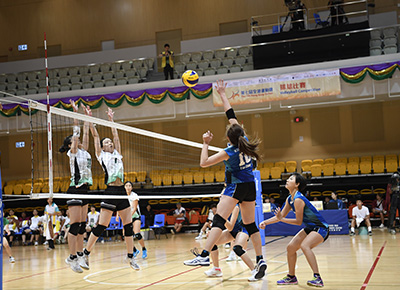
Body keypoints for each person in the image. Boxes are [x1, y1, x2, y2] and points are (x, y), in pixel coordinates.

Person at [183, 80, 266, 282]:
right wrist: (222, 94)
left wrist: (205, 143)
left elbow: (204, 163)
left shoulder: (229, 152)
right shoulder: (244, 140)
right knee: (251, 224)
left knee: (219, 220)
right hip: (249, 187)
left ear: (229, 139)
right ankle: (260, 259)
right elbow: (232, 116)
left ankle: (204, 256)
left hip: (235, 186)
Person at [83, 107, 139, 271]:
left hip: (121, 192)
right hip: (110, 192)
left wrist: (111, 120)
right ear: (102, 147)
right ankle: (86, 252)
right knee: (102, 225)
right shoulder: (101, 155)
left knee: (128, 226)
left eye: (110, 142)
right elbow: (95, 136)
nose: (110, 143)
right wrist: (90, 119)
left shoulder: (118, 154)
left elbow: (116, 135)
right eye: (106, 142)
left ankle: (130, 257)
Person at [260, 173, 329, 287]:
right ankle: (291, 277)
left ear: (297, 184)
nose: (287, 180)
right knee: (291, 248)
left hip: (321, 228)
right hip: (311, 228)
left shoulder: (298, 199)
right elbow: (279, 216)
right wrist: (265, 222)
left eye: (291, 179)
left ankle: (317, 277)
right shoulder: (289, 198)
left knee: (305, 246)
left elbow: (298, 221)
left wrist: (282, 219)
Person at [59, 100, 92, 273]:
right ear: (71, 143)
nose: (77, 140)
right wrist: (75, 113)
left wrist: (87, 117)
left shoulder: (85, 151)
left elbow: (84, 132)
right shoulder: (73, 153)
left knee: (82, 225)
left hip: (86, 189)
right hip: (75, 189)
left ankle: (79, 254)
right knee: (74, 225)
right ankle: (71, 257)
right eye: (74, 140)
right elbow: (77, 131)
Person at [122, 181, 147, 259]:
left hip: (135, 216)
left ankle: (144, 249)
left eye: (130, 185)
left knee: (137, 234)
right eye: (126, 185)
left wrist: (129, 216)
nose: (128, 187)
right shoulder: (122, 196)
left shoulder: (134, 195)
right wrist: (117, 216)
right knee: (126, 235)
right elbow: (120, 207)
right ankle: (134, 250)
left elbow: (135, 208)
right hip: (127, 217)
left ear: (132, 187)